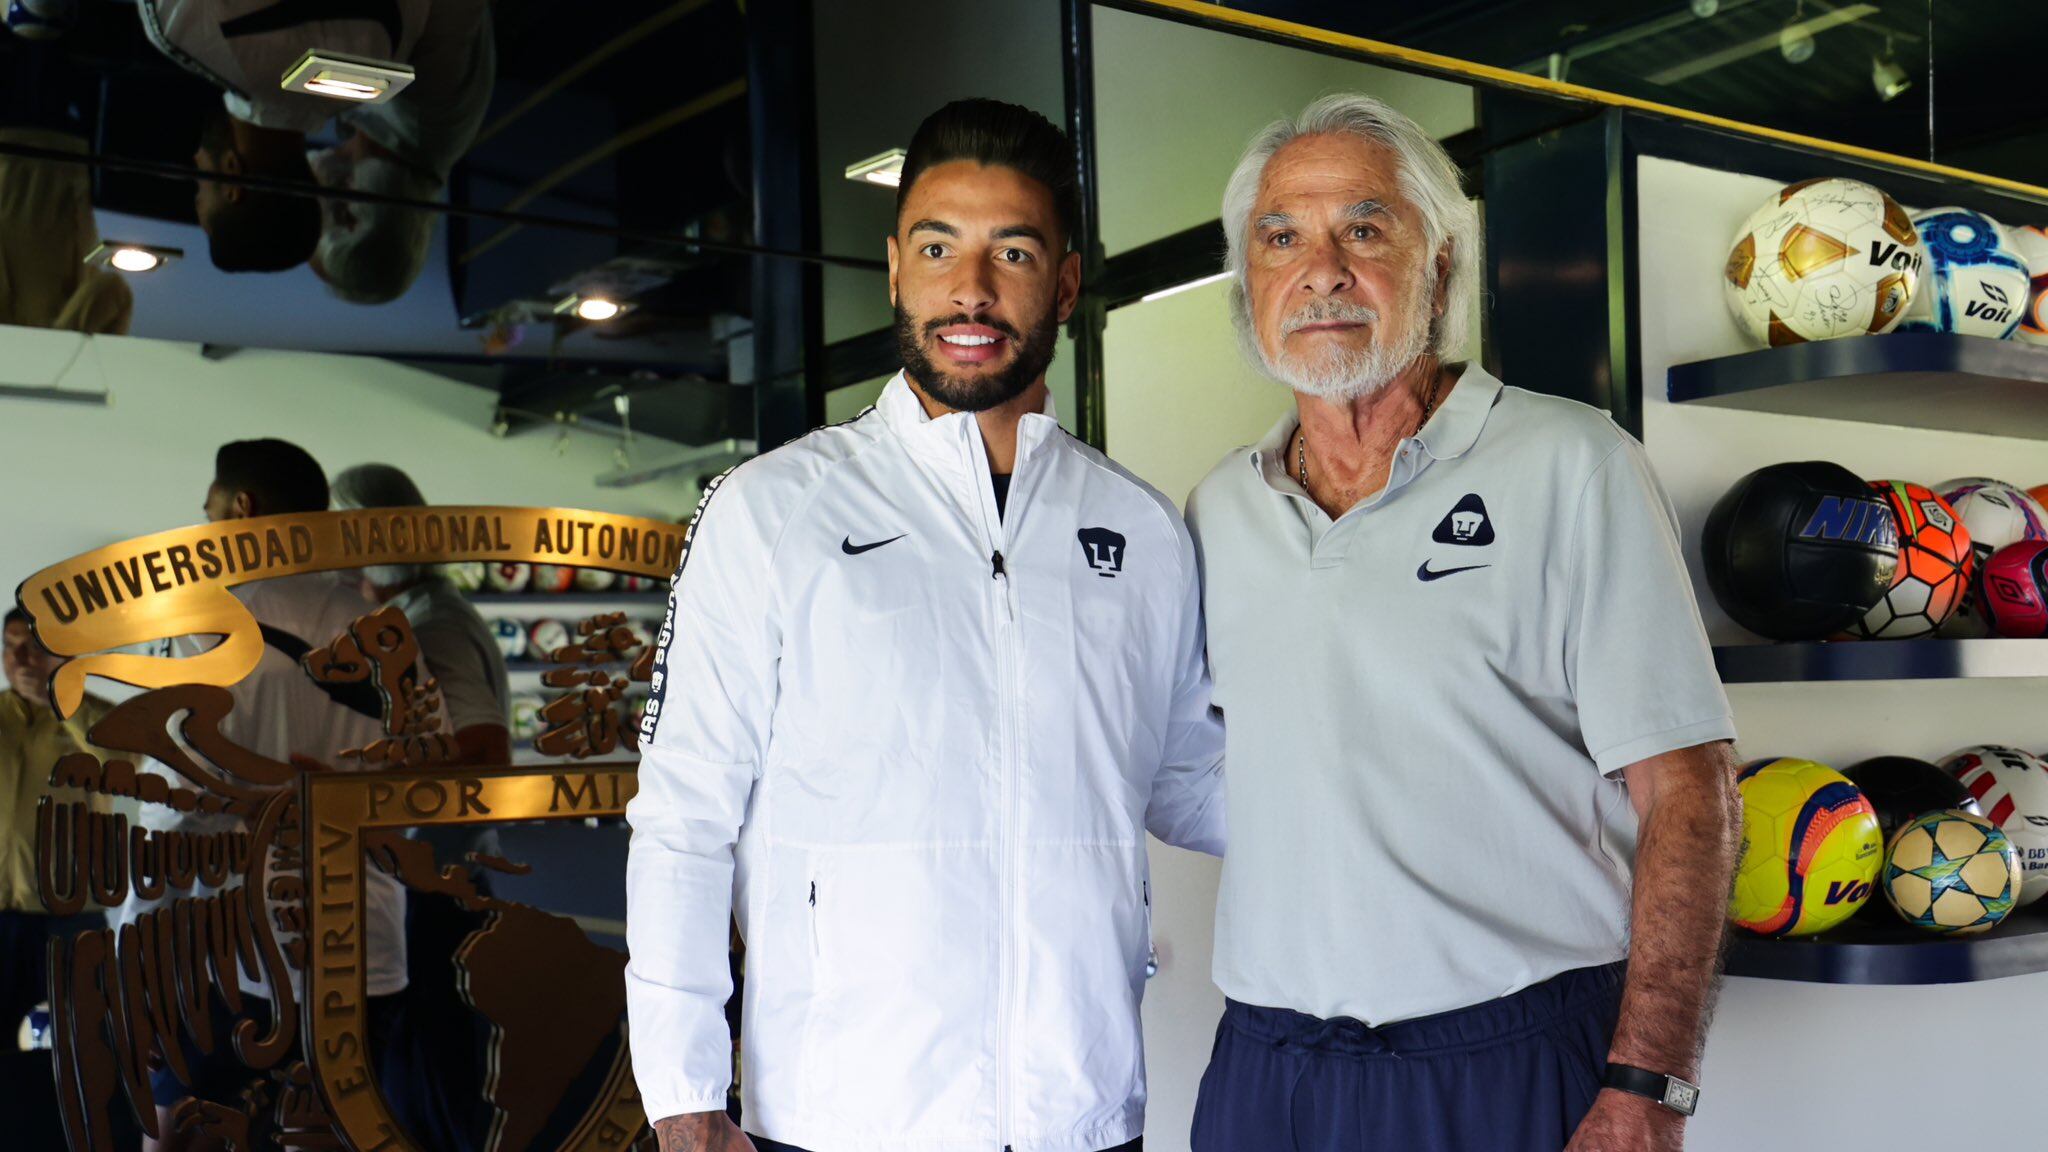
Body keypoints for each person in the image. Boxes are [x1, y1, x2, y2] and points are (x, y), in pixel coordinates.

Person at [627, 99, 1227, 1152]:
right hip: (840, 1116)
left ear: (1068, 284)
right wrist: (681, 1094)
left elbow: (1188, 781)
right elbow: (682, 815)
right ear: (896, 267)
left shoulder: (1137, 530)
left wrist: (1411, 782)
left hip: (1078, 1113)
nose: (973, 289)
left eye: (1014, 252)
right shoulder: (774, 510)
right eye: (940, 248)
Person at [1183, 94, 1741, 1152]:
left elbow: (1687, 790)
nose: (1321, 269)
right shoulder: (1216, 510)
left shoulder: (1573, 466)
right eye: (1279, 236)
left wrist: (1647, 1087)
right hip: (1269, 1072)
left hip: (1509, 1062)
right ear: (1248, 286)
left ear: (1438, 268)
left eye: (1363, 227)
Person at [125, 439, 409, 1152]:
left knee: (174, 1134)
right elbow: (413, 790)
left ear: (243, 508)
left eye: (211, 504)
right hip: (361, 941)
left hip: (229, 949)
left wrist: (134, 951)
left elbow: (172, 802)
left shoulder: (202, 625)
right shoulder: (383, 629)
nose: (205, 516)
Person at [330, 462, 508, 1152]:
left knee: (433, 1083)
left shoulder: (429, 627)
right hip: (438, 876)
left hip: (436, 883)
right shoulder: (427, 614)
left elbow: (485, 748)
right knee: (424, 1077)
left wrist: (369, 782)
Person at [138, 0, 493, 274]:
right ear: (231, 176)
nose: (196, 159)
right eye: (201, 190)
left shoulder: (381, 68)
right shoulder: (180, 31)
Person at [1, 607, 112, 1149]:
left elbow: (129, 766)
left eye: (34, 647)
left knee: (79, 1050)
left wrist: (60, 703)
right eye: (10, 646)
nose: (19, 659)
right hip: (1, 919)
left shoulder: (93, 719)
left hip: (73, 915)